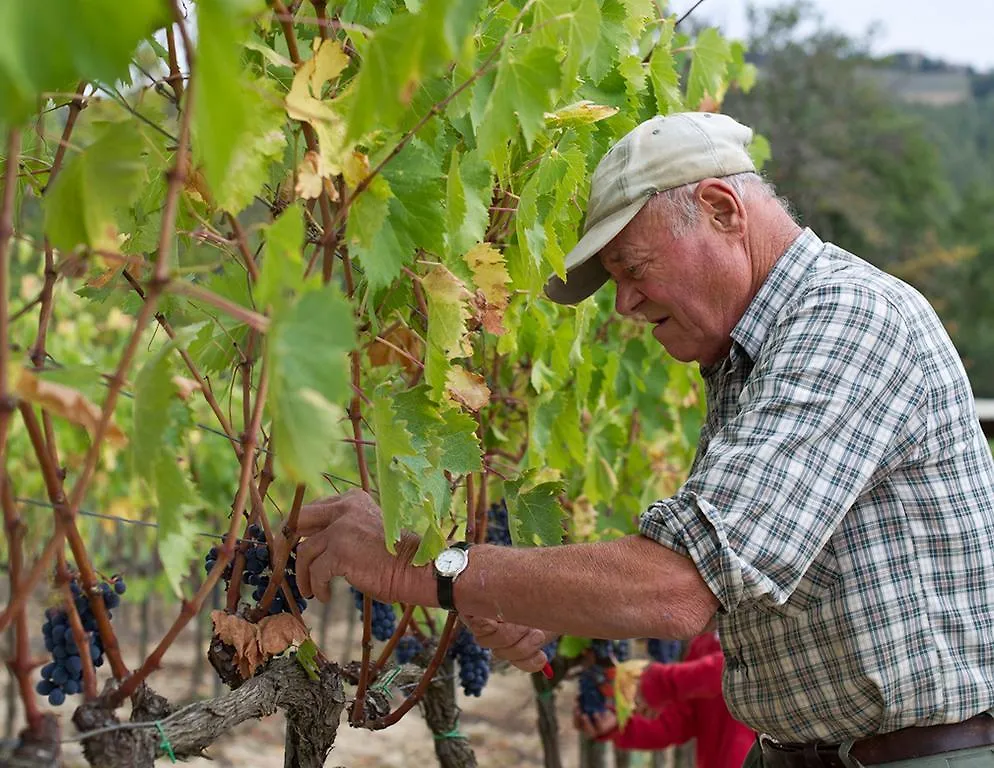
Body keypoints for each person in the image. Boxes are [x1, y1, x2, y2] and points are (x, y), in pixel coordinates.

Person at [295, 112, 994, 766]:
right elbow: (720, 582)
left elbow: (676, 588)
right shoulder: (750, 355)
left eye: (633, 268)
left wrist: (413, 571)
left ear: (723, 210)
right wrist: (515, 594)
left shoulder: (849, 320)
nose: (625, 305)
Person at [574, 632, 754, 768]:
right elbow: (679, 722)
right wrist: (620, 725)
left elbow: (741, 665)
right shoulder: (706, 642)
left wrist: (662, 681)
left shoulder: (767, 628)